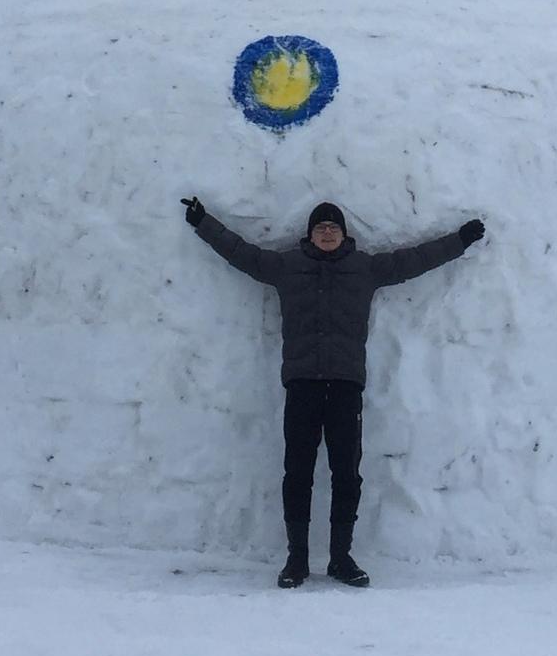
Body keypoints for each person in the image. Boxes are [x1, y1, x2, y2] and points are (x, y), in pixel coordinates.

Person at [182, 195, 484, 588]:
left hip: (345, 386)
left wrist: (459, 240)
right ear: (311, 234)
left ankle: (342, 558)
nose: (327, 233)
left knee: (346, 474)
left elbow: (413, 260)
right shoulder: (287, 267)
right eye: (321, 228)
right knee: (298, 473)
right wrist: (204, 222)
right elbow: (244, 255)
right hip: (302, 384)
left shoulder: (365, 269)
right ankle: (297, 560)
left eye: (333, 228)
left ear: (344, 234)